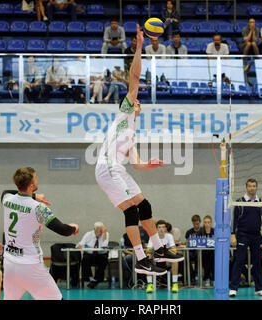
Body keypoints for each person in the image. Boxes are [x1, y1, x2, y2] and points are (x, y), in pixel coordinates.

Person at [95, 25, 183, 279]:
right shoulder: (124, 112)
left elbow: (136, 163)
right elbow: (134, 77)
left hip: (117, 169)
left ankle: (160, 249)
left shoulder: (131, 133)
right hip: (107, 168)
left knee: (144, 205)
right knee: (131, 211)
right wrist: (139, 47)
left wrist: (149, 164)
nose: (138, 100)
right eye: (136, 100)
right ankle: (142, 260)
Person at [1, 167, 79, 300]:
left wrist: (34, 196)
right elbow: (63, 230)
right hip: (30, 266)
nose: (38, 180)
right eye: (36, 178)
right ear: (31, 185)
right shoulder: (38, 208)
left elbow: (5, 192)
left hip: (9, 262)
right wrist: (73, 227)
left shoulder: (7, 200)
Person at [229, 178, 262, 297]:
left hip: (256, 236)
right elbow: (234, 220)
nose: (252, 188)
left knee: (257, 261)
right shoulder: (239, 202)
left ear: (256, 187)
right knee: (239, 261)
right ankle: (233, 288)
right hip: (242, 235)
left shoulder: (261, 202)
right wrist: (233, 235)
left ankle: (259, 288)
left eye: (254, 186)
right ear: (246, 188)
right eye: (250, 186)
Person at [145, 220, 180, 293]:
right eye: (159, 227)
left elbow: (174, 250)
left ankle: (175, 283)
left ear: (166, 229)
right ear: (156, 229)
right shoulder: (152, 237)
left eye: (163, 227)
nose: (161, 229)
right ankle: (149, 284)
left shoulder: (169, 236)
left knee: (175, 260)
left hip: (167, 260)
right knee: (148, 257)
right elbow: (148, 250)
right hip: (156, 259)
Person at [76, 222, 109, 289]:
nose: (100, 233)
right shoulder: (88, 234)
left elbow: (104, 246)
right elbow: (81, 243)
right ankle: (90, 278)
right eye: (98, 231)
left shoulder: (105, 234)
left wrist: (104, 234)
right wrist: (79, 246)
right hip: (90, 255)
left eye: (101, 231)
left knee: (104, 260)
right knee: (85, 259)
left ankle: (96, 280)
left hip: (101, 255)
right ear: (94, 229)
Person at [185, 214, 202, 283]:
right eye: (194, 224)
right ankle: (192, 276)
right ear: (192, 223)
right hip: (191, 251)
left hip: (200, 251)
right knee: (187, 257)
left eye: (197, 224)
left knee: (199, 257)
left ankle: (196, 274)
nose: (196, 225)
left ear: (199, 222)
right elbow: (186, 242)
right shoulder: (189, 232)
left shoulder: (203, 231)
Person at [200, 215, 215, 287]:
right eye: (205, 222)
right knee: (206, 259)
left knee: (213, 258)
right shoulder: (200, 232)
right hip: (204, 253)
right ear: (203, 223)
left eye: (208, 222)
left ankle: (214, 279)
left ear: (211, 223)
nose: (207, 224)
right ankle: (207, 278)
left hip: (213, 252)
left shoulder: (215, 231)